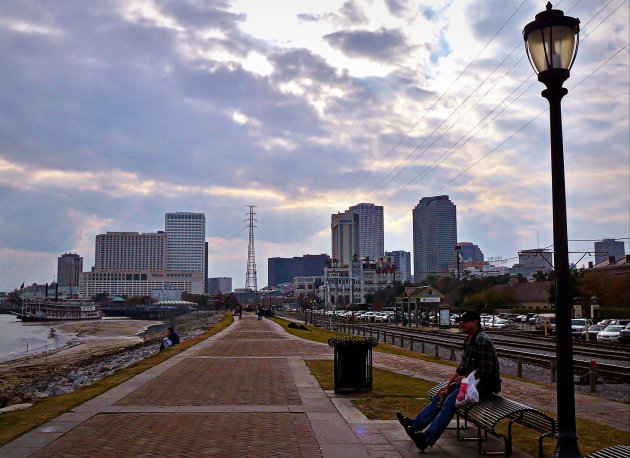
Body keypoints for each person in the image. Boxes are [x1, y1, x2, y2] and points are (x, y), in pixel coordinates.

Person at [396, 310, 501, 451]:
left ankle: (426, 439)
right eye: (460, 321)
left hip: (485, 385)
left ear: (475, 322)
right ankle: (415, 424)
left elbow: (487, 370)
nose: (461, 324)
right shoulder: (469, 340)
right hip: (470, 383)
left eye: (465, 321)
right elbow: (462, 368)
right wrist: (447, 385)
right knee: (442, 395)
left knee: (451, 401)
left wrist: (465, 378)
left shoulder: (481, 339)